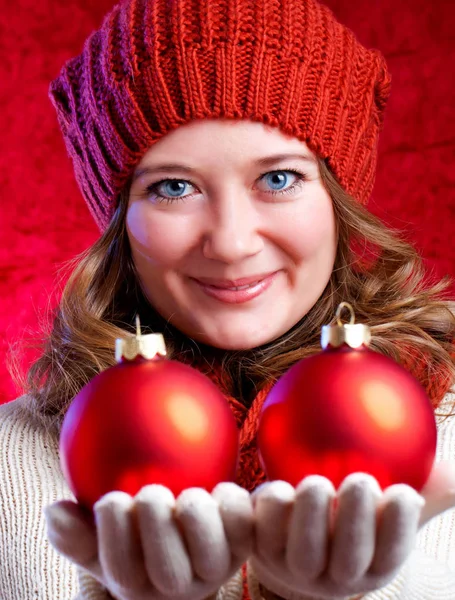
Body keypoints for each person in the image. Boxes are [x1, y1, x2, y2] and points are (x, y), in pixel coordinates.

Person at [1, 0, 455, 598]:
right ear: (119, 221)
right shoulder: (10, 461)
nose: (233, 243)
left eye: (279, 178)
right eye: (173, 187)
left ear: (339, 197)